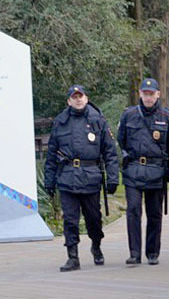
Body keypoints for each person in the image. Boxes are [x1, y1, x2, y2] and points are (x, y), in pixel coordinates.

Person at [44, 85, 119, 272]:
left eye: (81, 96)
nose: (78, 100)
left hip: (90, 176)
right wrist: (49, 180)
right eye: (74, 97)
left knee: (93, 218)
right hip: (67, 177)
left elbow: (110, 152)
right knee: (70, 219)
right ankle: (72, 257)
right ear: (69, 101)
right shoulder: (60, 122)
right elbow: (52, 153)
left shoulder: (97, 120)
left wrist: (112, 178)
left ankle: (96, 246)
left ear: (86, 98)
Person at [117, 78, 169, 266]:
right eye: (145, 93)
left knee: (154, 212)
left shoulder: (167, 117)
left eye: (152, 94)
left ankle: (152, 252)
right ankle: (134, 253)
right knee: (133, 210)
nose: (148, 97)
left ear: (158, 94)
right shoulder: (129, 115)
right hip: (133, 169)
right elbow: (121, 140)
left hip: (156, 170)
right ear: (140, 94)